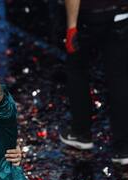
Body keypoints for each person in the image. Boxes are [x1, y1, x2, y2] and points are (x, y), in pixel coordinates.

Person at [60, 0, 128, 164]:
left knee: (77, 68)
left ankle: (80, 132)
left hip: (89, 16)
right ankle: (124, 147)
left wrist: (71, 27)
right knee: (119, 76)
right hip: (121, 13)